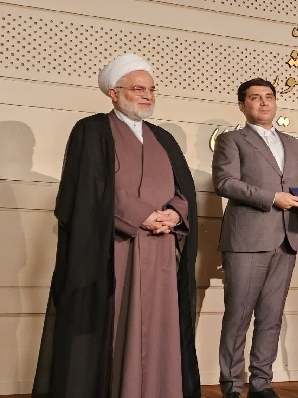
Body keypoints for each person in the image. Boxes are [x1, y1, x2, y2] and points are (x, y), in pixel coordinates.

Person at [31, 53, 200, 398]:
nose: (147, 96)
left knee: (160, 328)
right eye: (138, 89)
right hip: (114, 250)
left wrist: (175, 214)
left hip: (161, 251)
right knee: (117, 326)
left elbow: (183, 189)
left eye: (151, 89)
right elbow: (89, 188)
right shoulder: (92, 130)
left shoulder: (163, 137)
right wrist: (140, 216)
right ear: (114, 92)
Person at [212, 78, 298, 398]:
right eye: (255, 98)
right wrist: (272, 198)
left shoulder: (293, 144)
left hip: (287, 238)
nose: (264, 102)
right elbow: (225, 182)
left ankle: (261, 383)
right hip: (247, 240)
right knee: (238, 315)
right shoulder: (231, 140)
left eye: (269, 96)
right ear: (242, 105)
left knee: (271, 316)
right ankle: (230, 385)